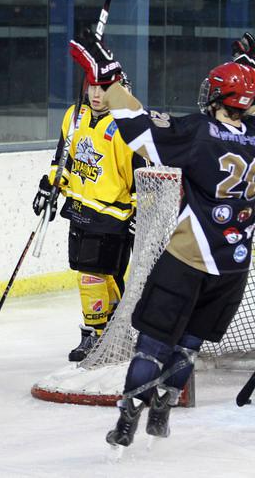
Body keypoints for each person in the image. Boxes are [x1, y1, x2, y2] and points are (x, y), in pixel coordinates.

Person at [70, 33, 255, 447]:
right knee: (188, 346)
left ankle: (126, 420)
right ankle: (161, 412)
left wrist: (111, 78)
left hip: (189, 258)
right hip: (234, 267)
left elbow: (137, 127)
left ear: (216, 96)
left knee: (152, 345)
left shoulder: (198, 132)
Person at [33, 71, 143, 362]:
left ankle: (94, 334)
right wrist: (51, 185)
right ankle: (111, 330)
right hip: (80, 209)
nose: (97, 94)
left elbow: (141, 175)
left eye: (104, 88)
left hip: (114, 214)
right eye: (93, 86)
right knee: (98, 274)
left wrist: (141, 210)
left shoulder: (128, 127)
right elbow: (64, 159)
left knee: (94, 275)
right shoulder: (75, 115)